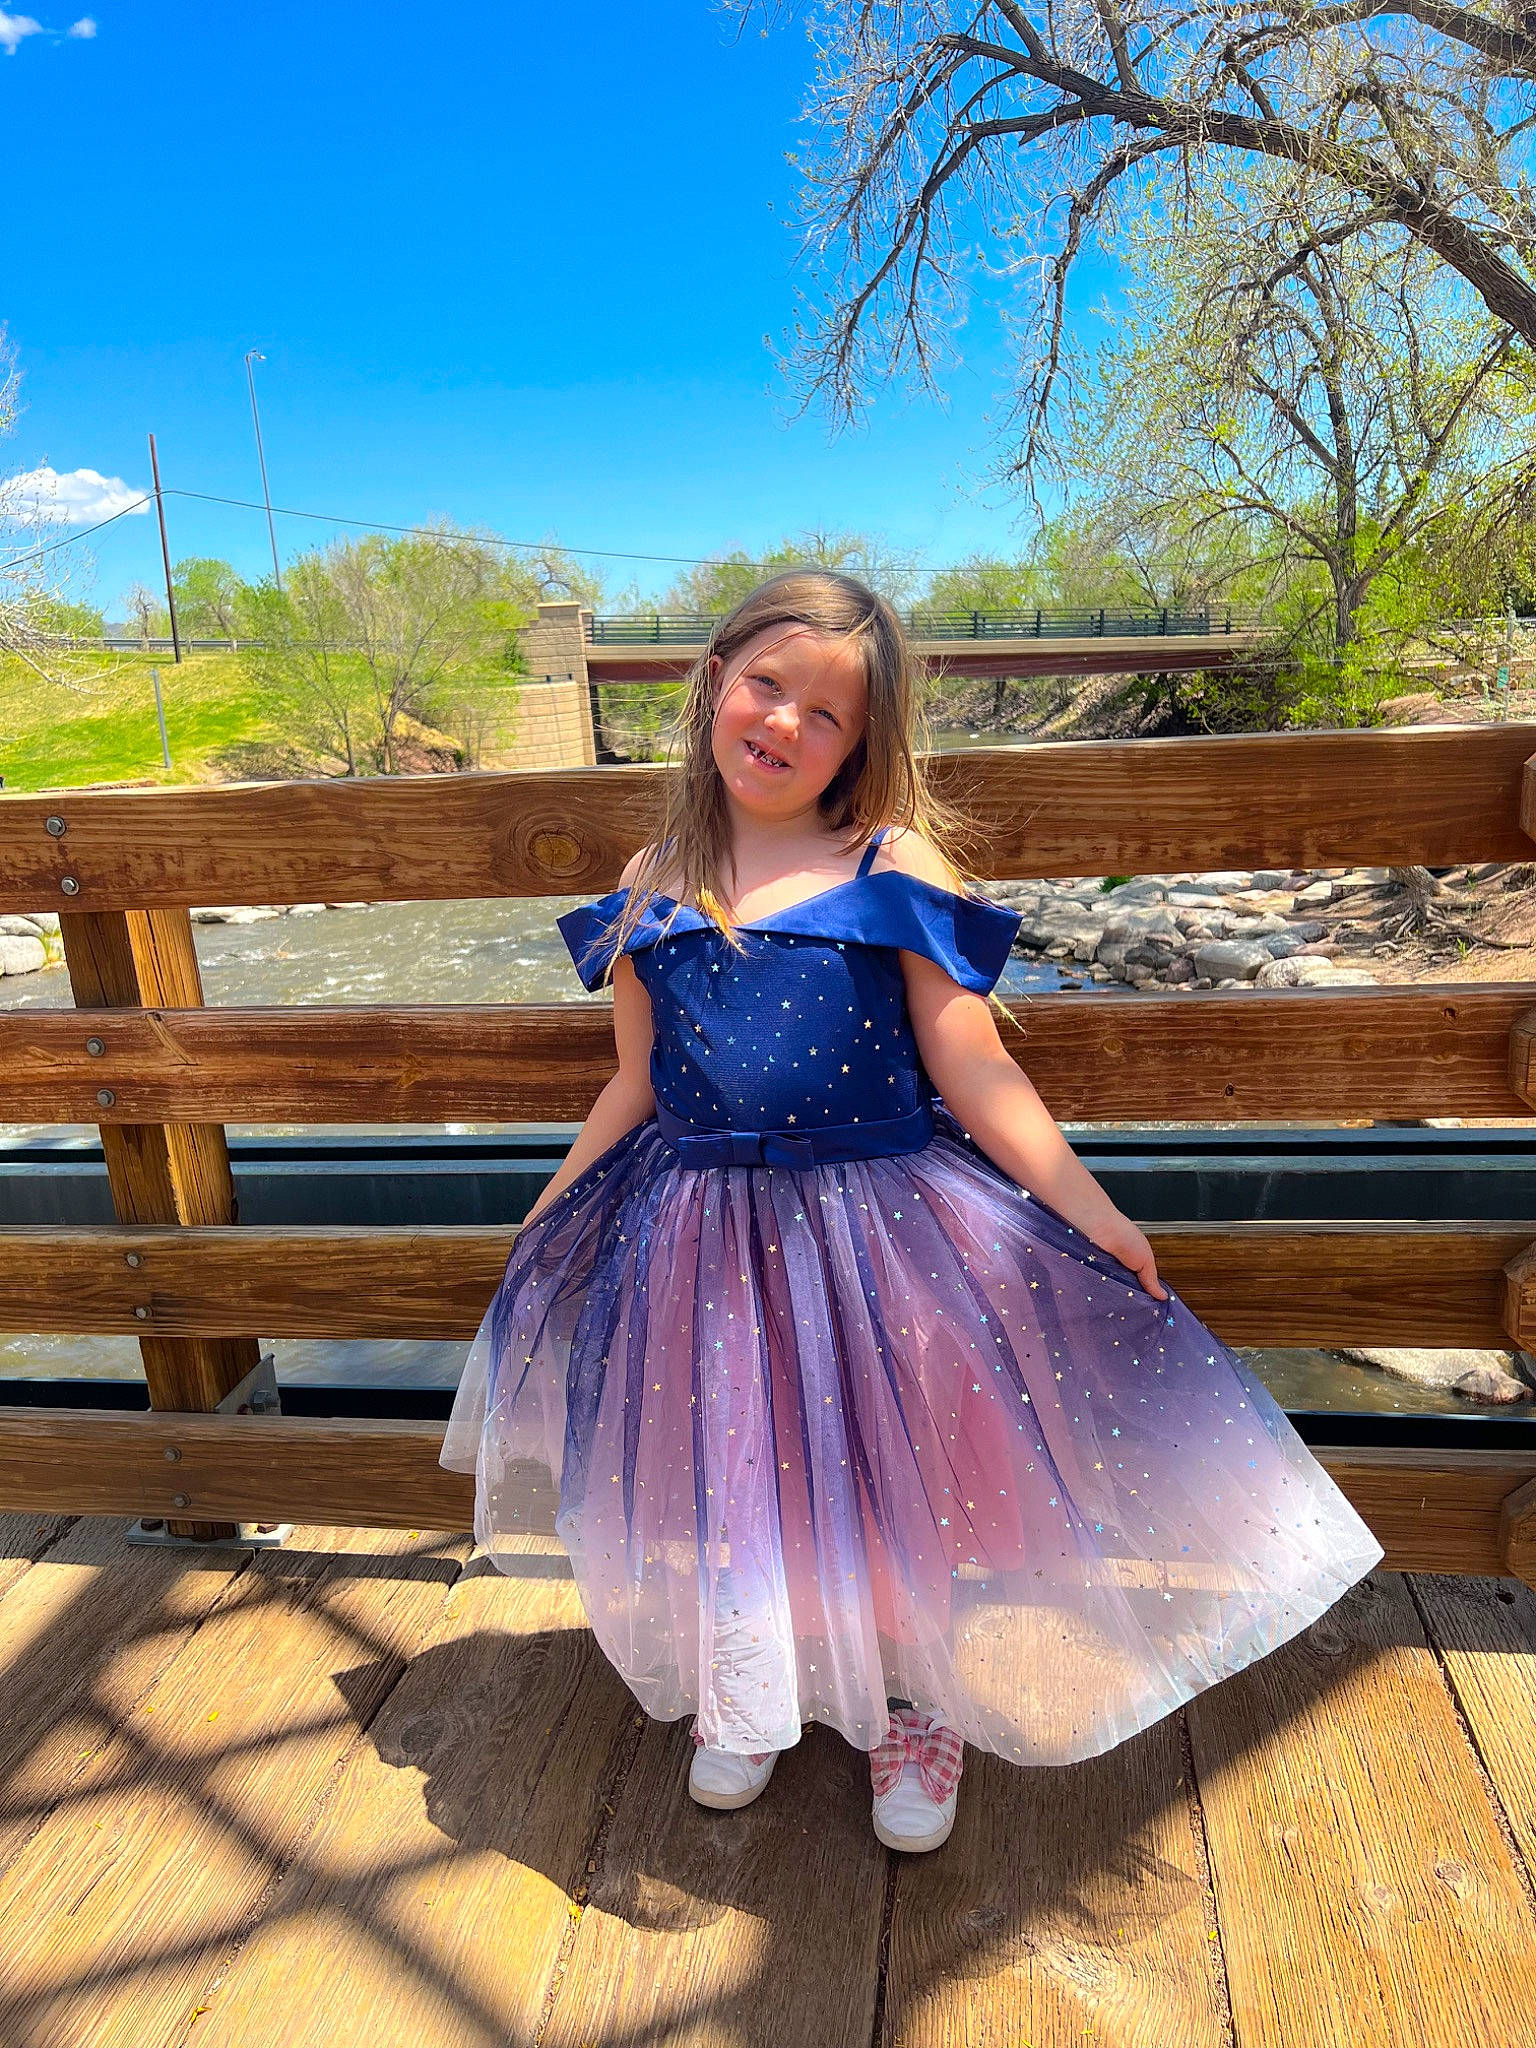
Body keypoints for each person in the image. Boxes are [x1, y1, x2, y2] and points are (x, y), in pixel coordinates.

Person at [439, 569, 1384, 1855]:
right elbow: (636, 1078)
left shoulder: (888, 860)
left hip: (878, 1236)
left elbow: (973, 1060)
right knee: (738, 1470)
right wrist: (551, 1211)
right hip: (703, 1239)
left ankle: (913, 1704)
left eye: (825, 714)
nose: (783, 723)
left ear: (864, 746)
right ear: (713, 679)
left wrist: (1089, 1205)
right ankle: (754, 1687)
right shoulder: (654, 872)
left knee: (893, 1477)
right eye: (767, 684)